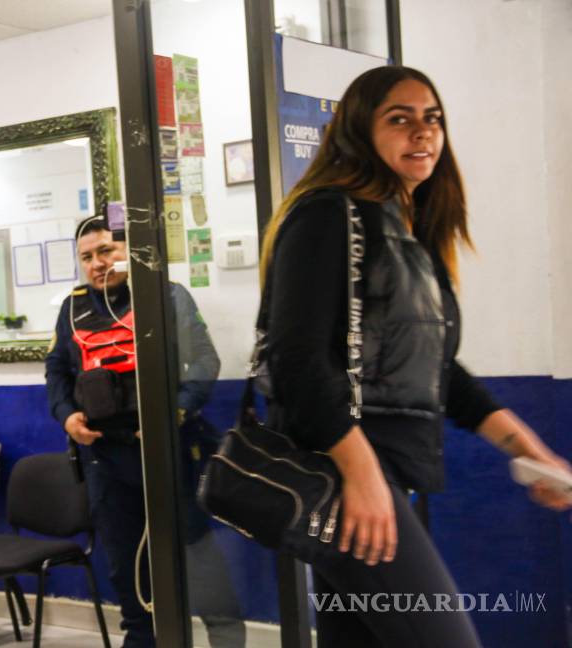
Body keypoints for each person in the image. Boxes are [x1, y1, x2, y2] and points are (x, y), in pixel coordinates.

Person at [258, 65, 572, 647]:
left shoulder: (406, 231)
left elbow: (439, 373)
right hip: (345, 471)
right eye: (399, 119)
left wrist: (531, 450)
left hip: (382, 471)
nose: (422, 132)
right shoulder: (328, 214)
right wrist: (362, 474)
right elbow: (296, 360)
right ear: (359, 130)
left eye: (433, 119)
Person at [45, 216, 245, 648]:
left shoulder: (166, 297)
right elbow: (57, 371)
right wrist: (66, 416)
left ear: (126, 252)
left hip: (168, 451)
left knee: (198, 557)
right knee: (125, 566)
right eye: (87, 257)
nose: (98, 263)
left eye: (106, 251)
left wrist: (173, 413)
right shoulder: (73, 307)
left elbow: (204, 362)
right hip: (103, 458)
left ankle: (226, 639)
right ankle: (141, 640)